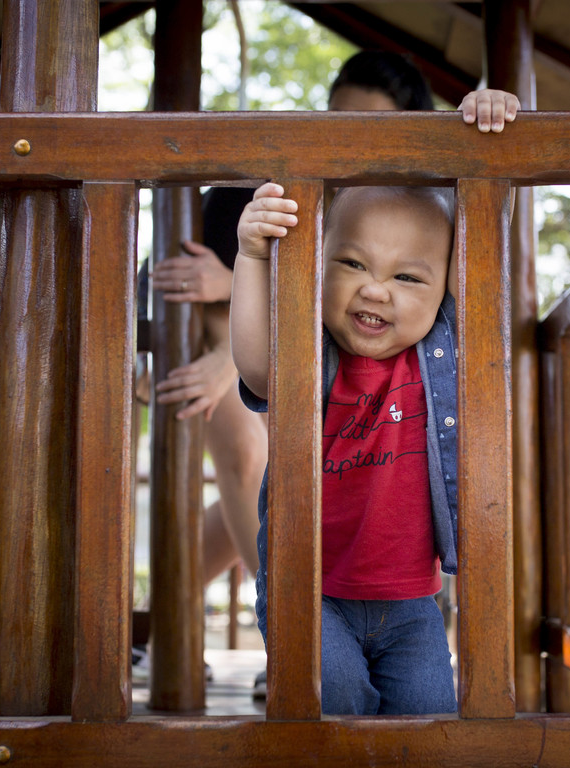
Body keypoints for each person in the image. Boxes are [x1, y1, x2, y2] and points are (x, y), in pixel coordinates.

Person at [145, 50, 518, 629]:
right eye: (341, 118)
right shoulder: (282, 190)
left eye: (374, 128)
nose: (353, 140)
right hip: (241, 353)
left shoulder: (419, 226)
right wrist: (227, 322)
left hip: (290, 359)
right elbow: (194, 290)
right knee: (253, 456)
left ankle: (150, 617)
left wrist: (482, 129)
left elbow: (474, 234)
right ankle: (288, 621)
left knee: (276, 475)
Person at [230, 72, 516, 724]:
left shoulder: (441, 352)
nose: (376, 290)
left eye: (408, 276)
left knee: (427, 729)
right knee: (336, 712)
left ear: (444, 289)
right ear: (317, 261)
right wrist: (252, 255)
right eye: (353, 264)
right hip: (310, 592)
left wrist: (480, 137)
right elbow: (255, 363)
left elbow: (485, 223)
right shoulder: (311, 352)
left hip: (414, 602)